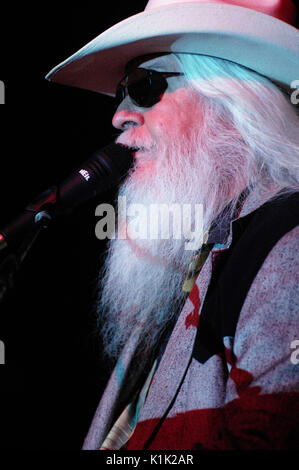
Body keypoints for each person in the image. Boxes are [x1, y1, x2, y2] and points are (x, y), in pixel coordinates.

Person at [46, 0, 299, 450]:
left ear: (230, 99)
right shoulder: (187, 264)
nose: (119, 115)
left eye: (144, 86)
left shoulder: (290, 244)